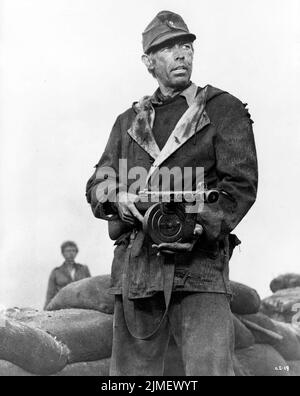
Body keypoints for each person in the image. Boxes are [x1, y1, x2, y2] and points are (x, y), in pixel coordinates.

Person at [86, 10, 258, 376]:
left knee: (209, 370)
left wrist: (200, 225)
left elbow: (240, 185)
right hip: (138, 270)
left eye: (186, 45)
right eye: (168, 48)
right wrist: (117, 197)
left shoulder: (220, 108)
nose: (182, 54)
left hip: (200, 269)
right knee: (131, 379)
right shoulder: (128, 122)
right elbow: (97, 184)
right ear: (148, 61)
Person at [44, 241, 91, 309]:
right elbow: (50, 295)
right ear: (63, 253)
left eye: (73, 251)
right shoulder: (56, 272)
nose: (71, 253)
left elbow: (89, 289)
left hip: (81, 306)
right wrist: (46, 311)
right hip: (62, 307)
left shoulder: (83, 269)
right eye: (68, 251)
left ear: (76, 253)